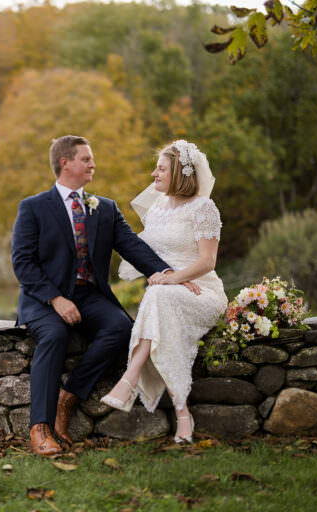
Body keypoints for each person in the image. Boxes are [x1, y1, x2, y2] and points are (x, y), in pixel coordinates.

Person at [11, 135, 172, 456]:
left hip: (90, 296)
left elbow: (134, 247)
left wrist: (168, 274)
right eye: (86, 159)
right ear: (64, 163)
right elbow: (23, 263)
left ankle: (68, 398)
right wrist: (55, 299)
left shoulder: (105, 208)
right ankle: (39, 428)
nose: (93, 164)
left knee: (121, 329)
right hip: (45, 299)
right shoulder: (32, 207)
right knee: (55, 335)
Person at [100, 140, 227, 444]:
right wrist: (170, 280)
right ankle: (183, 412)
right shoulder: (156, 209)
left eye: (161, 168)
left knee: (157, 296)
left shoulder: (203, 208)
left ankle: (130, 378)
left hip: (202, 292)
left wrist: (176, 279)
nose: (153, 173)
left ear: (180, 174)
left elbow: (207, 261)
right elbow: (144, 257)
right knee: (159, 300)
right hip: (168, 293)